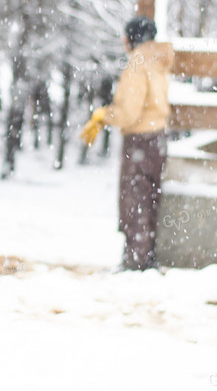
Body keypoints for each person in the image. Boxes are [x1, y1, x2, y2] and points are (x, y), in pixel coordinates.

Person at [80, 16, 174, 271]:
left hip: (140, 140)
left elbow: (129, 112)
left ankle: (136, 260)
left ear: (132, 37)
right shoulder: (157, 59)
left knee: (135, 199)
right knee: (150, 198)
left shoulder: (138, 63)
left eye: (125, 36)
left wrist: (103, 115)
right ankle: (146, 255)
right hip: (158, 139)